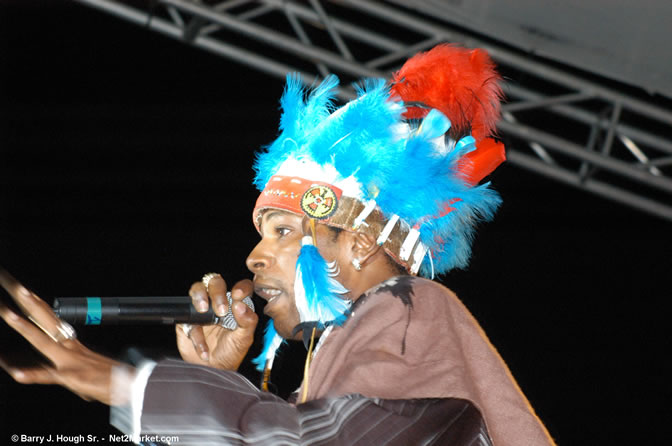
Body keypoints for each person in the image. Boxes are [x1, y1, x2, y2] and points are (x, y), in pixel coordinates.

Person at [0, 44, 556, 445]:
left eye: (283, 232)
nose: (253, 258)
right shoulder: (331, 387)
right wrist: (215, 381)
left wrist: (133, 385)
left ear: (361, 245)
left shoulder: (412, 307)